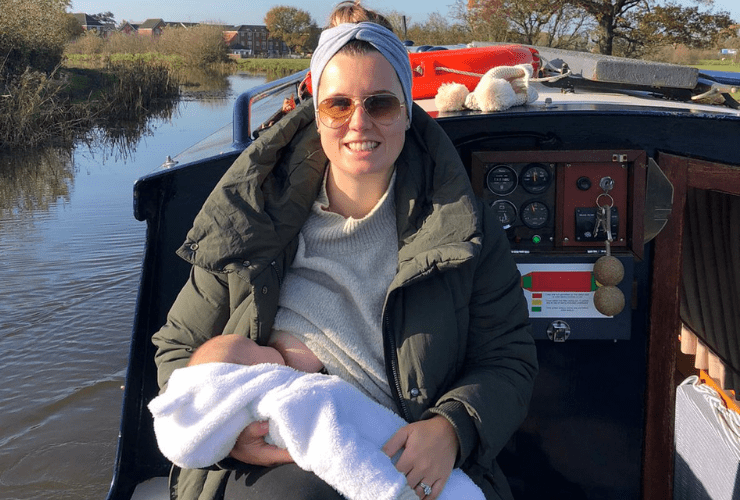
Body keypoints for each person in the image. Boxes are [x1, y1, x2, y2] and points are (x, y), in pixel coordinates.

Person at [151, 1, 538, 499]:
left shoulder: (465, 227)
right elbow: (178, 350)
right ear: (317, 112)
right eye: (339, 105)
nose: (359, 124)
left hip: (403, 452)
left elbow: (508, 359)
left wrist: (451, 428)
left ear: (407, 112)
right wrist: (232, 435)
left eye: (380, 104)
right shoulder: (250, 217)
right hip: (276, 454)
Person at [148, 334, 485, 500]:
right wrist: (390, 493)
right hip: (388, 474)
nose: (268, 350)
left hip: (426, 449)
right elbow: (334, 451)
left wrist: (454, 425)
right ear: (248, 377)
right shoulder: (289, 402)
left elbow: (503, 353)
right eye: (256, 351)